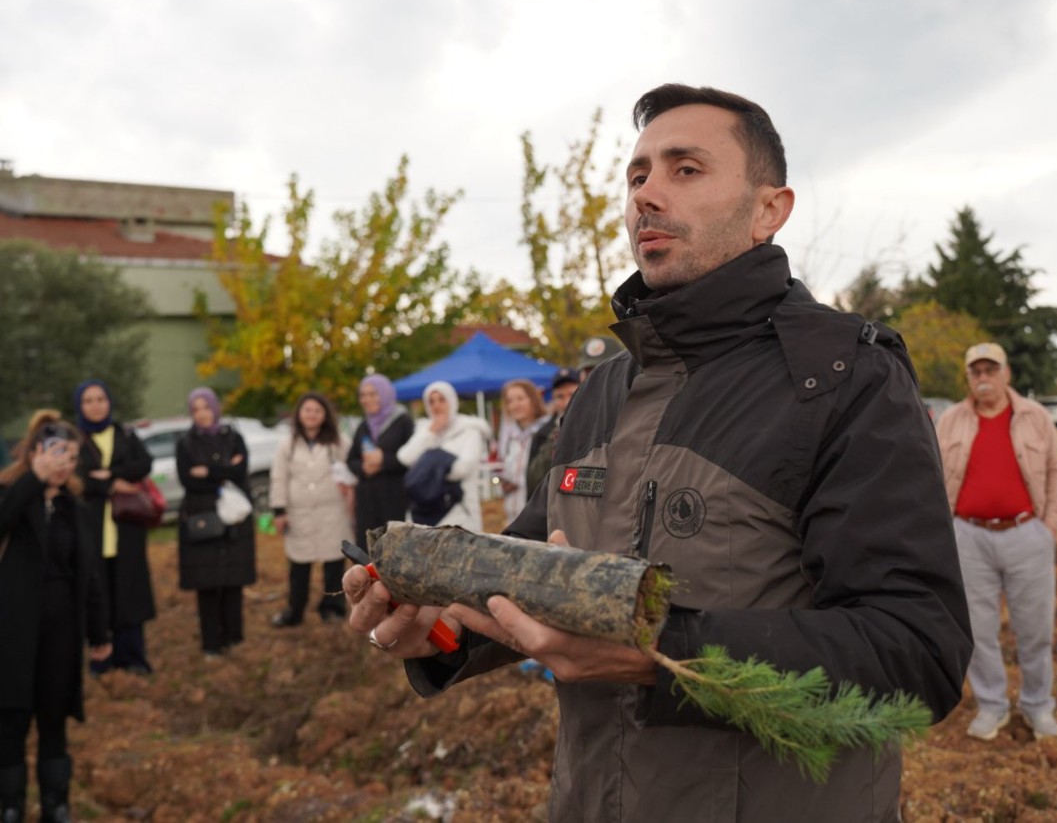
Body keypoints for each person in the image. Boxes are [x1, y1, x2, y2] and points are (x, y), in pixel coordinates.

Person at [346, 84, 972, 821]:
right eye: (636, 175)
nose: (645, 194)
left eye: (685, 169)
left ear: (769, 210)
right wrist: (440, 629)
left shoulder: (842, 377)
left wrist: (663, 654)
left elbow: (916, 651)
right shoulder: (602, 391)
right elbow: (532, 575)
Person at [935, 343, 1057, 741]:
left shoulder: (1035, 417)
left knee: (1035, 630)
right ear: (968, 378)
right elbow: (930, 473)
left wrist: (1051, 527)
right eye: (975, 371)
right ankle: (992, 706)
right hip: (968, 538)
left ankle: (1038, 706)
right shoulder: (950, 421)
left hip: (1027, 535)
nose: (983, 378)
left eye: (990, 370)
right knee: (977, 630)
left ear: (1006, 373)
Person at [1, 411, 112, 822]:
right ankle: (10, 805)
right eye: (56, 453)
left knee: (53, 716)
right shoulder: (11, 494)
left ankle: (56, 804)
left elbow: (89, 574)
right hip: (13, 631)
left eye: (71, 456)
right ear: (35, 453)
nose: (64, 464)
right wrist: (34, 479)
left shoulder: (75, 509)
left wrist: (99, 632)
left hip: (61, 633)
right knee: (11, 718)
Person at [73, 379, 156, 676]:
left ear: (109, 403)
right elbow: (75, 477)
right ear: (80, 406)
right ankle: (101, 659)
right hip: (91, 529)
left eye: (101, 399)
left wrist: (110, 474)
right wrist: (110, 485)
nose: (96, 405)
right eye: (89, 400)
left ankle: (132, 658)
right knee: (97, 596)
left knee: (129, 593)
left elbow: (144, 463)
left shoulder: (125, 434)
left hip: (126, 528)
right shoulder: (76, 440)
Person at [176, 387, 256, 657]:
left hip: (234, 518)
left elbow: (241, 471)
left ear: (215, 408)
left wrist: (208, 471)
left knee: (233, 580)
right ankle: (211, 642)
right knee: (206, 583)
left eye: (206, 407)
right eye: (196, 409)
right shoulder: (186, 443)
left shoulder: (233, 437)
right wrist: (224, 471)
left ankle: (234, 637)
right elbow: (187, 480)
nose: (202, 414)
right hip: (202, 519)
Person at [269, 392, 353, 627]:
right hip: (299, 514)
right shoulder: (287, 444)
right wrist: (279, 511)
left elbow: (352, 468)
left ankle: (332, 608)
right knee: (299, 565)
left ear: (325, 415)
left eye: (317, 410)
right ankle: (295, 610)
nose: (312, 415)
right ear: (299, 414)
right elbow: (279, 477)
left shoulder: (339, 442)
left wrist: (349, 487)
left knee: (334, 563)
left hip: (333, 513)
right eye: (307, 410)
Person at [396, 381, 489, 533]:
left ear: (451, 401)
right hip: (425, 511)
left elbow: (463, 468)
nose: (437, 405)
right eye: (432, 401)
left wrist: (428, 464)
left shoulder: (469, 430)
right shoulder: (425, 430)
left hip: (460, 510)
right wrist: (432, 432)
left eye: (442, 400)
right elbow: (405, 458)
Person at [347, 374, 414, 552]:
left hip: (395, 499)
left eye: (372, 394)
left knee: (394, 551)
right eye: (363, 395)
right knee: (367, 552)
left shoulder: (403, 421)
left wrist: (384, 460)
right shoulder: (363, 426)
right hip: (367, 502)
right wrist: (363, 468)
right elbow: (351, 459)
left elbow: (412, 458)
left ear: (385, 394)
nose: (366, 399)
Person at [497, 379, 549, 523]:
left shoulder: (547, 433)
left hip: (540, 518)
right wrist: (503, 484)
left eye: (520, 398)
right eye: (510, 401)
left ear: (533, 400)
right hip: (513, 516)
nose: (515, 405)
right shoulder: (511, 437)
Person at [525, 367, 582, 498]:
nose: (567, 402)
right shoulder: (543, 434)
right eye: (560, 396)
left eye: (572, 394)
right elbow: (533, 480)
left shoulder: (599, 425)